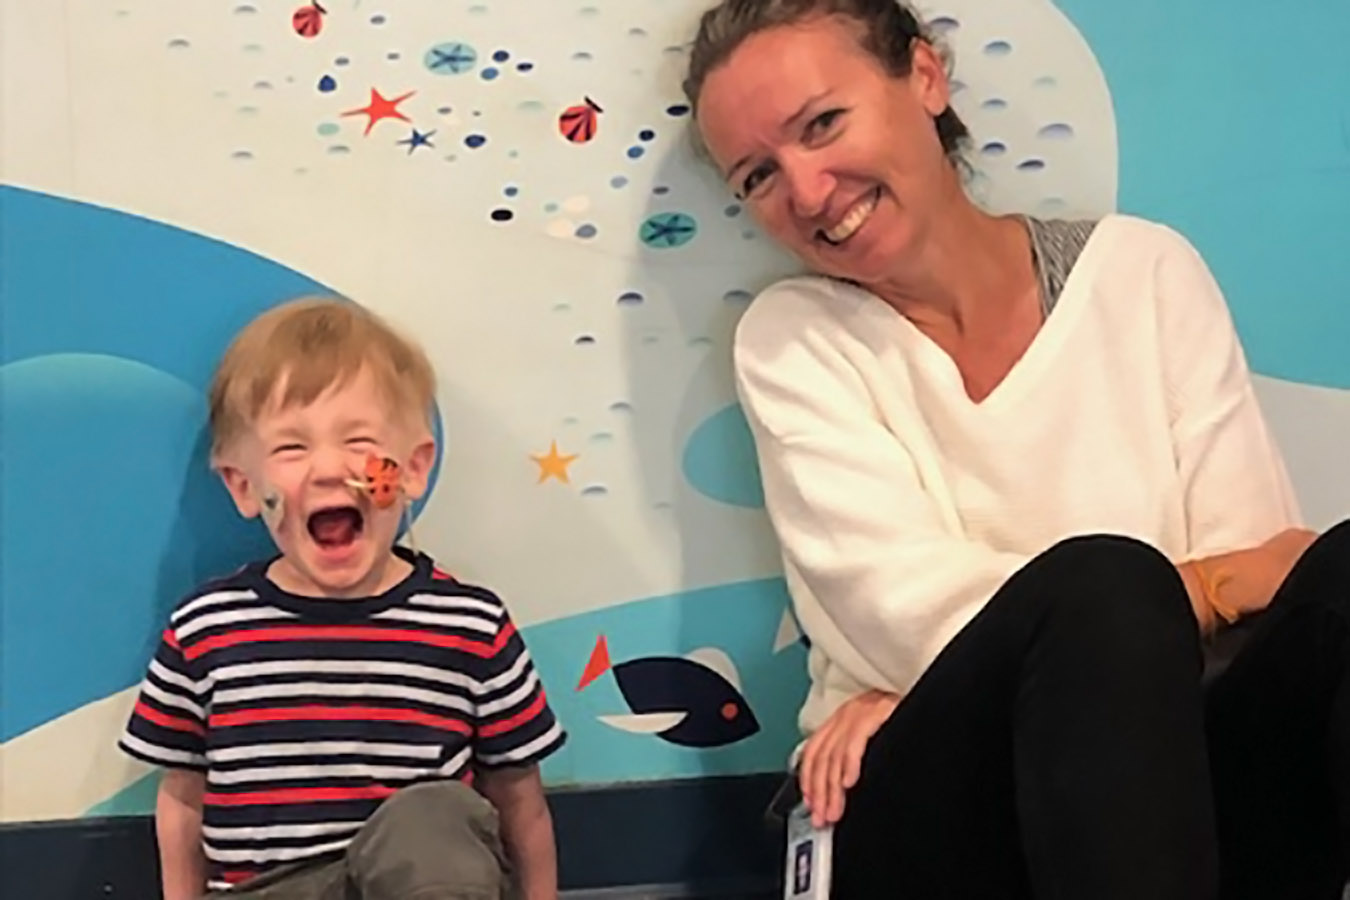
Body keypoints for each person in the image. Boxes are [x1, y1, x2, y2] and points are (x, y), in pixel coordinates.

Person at [682, 2, 1350, 898]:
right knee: (1104, 585)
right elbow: (901, 613)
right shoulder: (793, 339)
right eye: (758, 176)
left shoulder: (1142, 273)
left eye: (823, 124)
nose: (806, 193)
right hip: (929, 803)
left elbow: (1268, 578)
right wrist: (1184, 588)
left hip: (1180, 780)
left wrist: (1143, 614)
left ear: (924, 77)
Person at [118, 298, 565, 899]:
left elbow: (521, 801)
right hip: (268, 888)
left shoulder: (470, 624)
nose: (330, 469)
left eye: (358, 441)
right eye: (291, 449)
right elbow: (181, 801)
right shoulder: (208, 630)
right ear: (244, 486)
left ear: (413, 469)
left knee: (436, 818)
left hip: (420, 881)